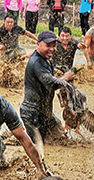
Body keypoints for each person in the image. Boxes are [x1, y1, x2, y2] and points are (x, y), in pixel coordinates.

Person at [21, 30, 74, 160]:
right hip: (33, 114)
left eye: (54, 45)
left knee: (60, 137)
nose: (52, 49)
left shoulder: (46, 59)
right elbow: (51, 84)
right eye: (48, 45)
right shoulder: (37, 62)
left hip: (45, 113)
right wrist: (65, 78)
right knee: (39, 148)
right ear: (38, 44)